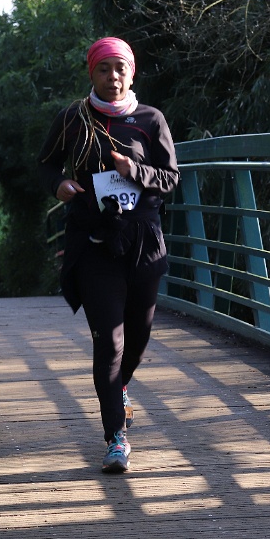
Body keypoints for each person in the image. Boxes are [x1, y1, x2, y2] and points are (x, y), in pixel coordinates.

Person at [37, 36, 179, 473]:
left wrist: (133, 169)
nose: (113, 76)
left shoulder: (151, 120)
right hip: (94, 243)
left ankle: (120, 390)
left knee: (137, 339)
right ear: (91, 73)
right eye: (104, 69)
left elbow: (171, 178)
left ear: (131, 73)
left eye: (120, 68)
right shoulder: (73, 118)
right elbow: (46, 165)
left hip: (142, 244)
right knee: (110, 342)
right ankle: (116, 437)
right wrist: (59, 185)